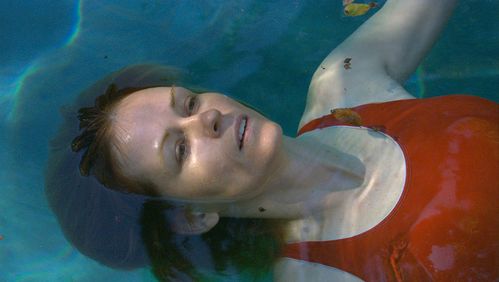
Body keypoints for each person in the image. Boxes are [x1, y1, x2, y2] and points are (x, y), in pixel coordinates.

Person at [46, 0, 499, 281]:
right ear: (192, 217)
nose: (208, 118)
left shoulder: (344, 82)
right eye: (180, 150)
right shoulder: (316, 277)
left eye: (188, 104)